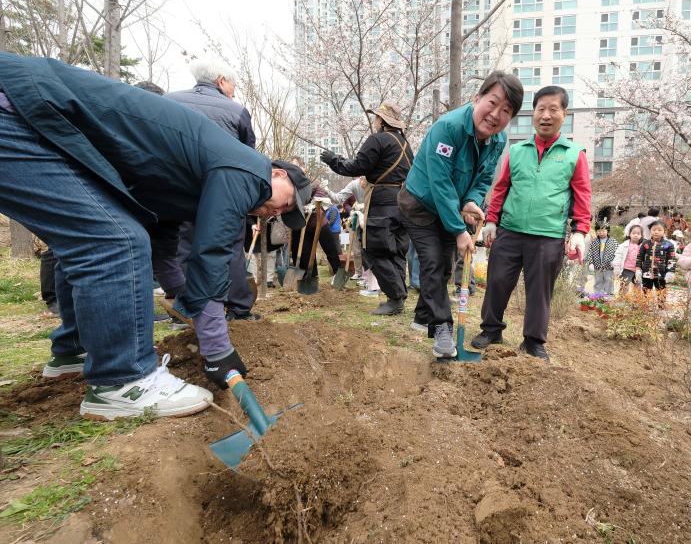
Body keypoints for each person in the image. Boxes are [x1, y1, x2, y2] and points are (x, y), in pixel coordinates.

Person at [0, 53, 310, 419]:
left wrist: (183, 299)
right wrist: (216, 347)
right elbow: (209, 255)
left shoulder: (197, 179)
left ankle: (73, 349)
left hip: (33, 111)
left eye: (284, 215)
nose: (277, 213)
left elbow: (164, 247)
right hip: (24, 110)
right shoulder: (247, 172)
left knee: (97, 238)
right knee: (116, 241)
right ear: (278, 175)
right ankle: (123, 380)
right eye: (286, 204)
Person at [399, 71, 523, 358]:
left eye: (506, 111)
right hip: (419, 203)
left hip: (450, 206)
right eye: (492, 103)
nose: (495, 114)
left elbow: (483, 178)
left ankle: (422, 316)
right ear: (476, 98)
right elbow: (439, 182)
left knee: (443, 264)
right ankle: (442, 328)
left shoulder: (497, 140)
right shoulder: (448, 128)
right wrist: (458, 230)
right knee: (432, 262)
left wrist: (470, 201)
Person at [469, 85, 590, 360]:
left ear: (564, 114)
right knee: (497, 282)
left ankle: (533, 341)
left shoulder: (575, 153)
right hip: (510, 231)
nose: (546, 116)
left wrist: (580, 230)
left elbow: (582, 194)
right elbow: (501, 188)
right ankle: (491, 330)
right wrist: (492, 221)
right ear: (533, 113)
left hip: (548, 235)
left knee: (539, 292)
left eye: (553, 110)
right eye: (540, 109)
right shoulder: (517, 150)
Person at [166, 58, 259, 321]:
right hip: (223, 189)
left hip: (179, 189)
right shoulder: (235, 110)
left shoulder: (169, 100)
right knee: (230, 246)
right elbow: (247, 155)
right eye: (233, 85)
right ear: (221, 81)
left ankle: (183, 312)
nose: (234, 92)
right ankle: (238, 309)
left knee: (184, 246)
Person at [321, 103, 414, 315]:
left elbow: (357, 167)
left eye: (377, 118)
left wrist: (332, 160)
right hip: (403, 202)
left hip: (382, 202)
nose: (375, 121)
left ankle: (395, 297)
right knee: (397, 250)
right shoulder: (405, 144)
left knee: (374, 249)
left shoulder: (377, 140)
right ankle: (397, 297)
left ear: (382, 121)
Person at [636, 220, 676, 307]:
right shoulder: (645, 243)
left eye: (659, 230)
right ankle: (646, 307)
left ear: (664, 231)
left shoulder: (668, 245)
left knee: (661, 291)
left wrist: (670, 272)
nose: (656, 232)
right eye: (654, 230)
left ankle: (661, 308)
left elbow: (671, 259)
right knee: (646, 291)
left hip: (661, 274)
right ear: (650, 231)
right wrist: (638, 269)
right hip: (647, 273)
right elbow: (639, 257)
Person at [586, 223, 618, 296]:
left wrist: (615, 262)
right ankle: (598, 296)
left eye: (603, 230)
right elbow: (590, 252)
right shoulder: (594, 242)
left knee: (609, 281)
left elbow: (617, 252)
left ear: (608, 231)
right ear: (597, 231)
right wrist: (591, 263)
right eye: (599, 231)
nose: (601, 232)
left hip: (609, 266)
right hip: (597, 266)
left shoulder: (613, 241)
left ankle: (609, 296)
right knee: (598, 281)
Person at [613, 224, 643, 295]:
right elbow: (618, 255)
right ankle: (622, 302)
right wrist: (616, 267)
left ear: (641, 235)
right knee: (624, 286)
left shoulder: (642, 246)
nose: (636, 235)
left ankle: (636, 303)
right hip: (627, 269)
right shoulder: (624, 245)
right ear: (629, 234)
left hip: (638, 270)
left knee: (638, 287)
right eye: (633, 233)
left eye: (638, 234)